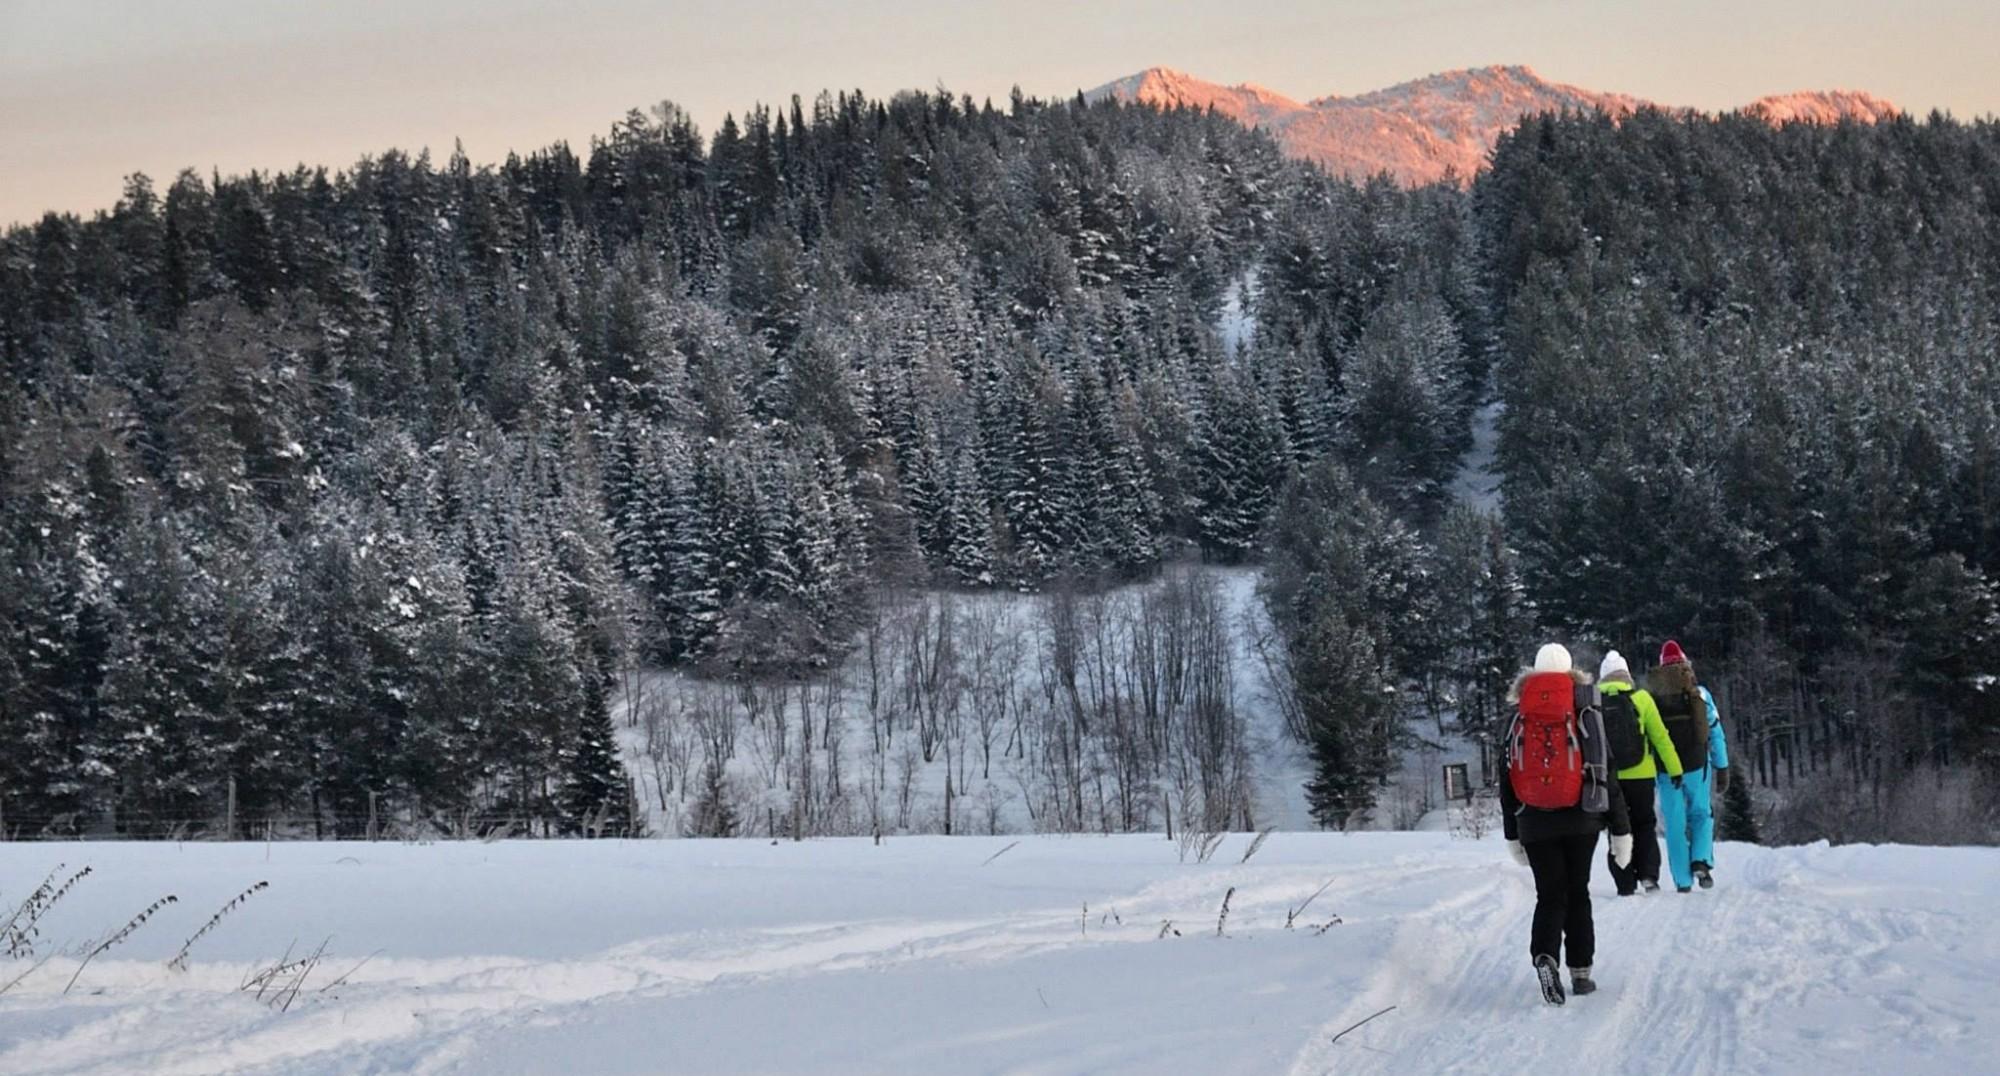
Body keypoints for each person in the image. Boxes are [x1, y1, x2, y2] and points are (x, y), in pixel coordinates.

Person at [1501, 643, 1632, 1006]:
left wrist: (1513, 834)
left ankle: (1545, 954)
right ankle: (1581, 972)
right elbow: (1608, 771)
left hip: (1533, 821)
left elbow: (1506, 778)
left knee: (1549, 895)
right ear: (1572, 672)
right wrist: (1621, 829)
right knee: (1578, 892)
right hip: (1582, 818)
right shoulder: (1585, 708)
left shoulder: (1518, 716)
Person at [1647, 640, 1732, 892]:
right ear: (1686, 665)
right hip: (1697, 764)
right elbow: (1715, 732)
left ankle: (1682, 881)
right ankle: (1701, 862)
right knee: (1701, 814)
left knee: (1674, 822)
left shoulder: (1654, 698)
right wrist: (1722, 766)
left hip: (1666, 769)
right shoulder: (1700, 694)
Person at [1597, 650, 1684, 895]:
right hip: (1641, 775)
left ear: (1603, 677)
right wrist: (1674, 768)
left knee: (1617, 828)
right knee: (1644, 824)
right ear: (1627, 675)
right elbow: (1660, 737)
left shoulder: (1593, 700)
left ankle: (1624, 882)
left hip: (1609, 777)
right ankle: (1648, 876)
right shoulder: (1642, 699)